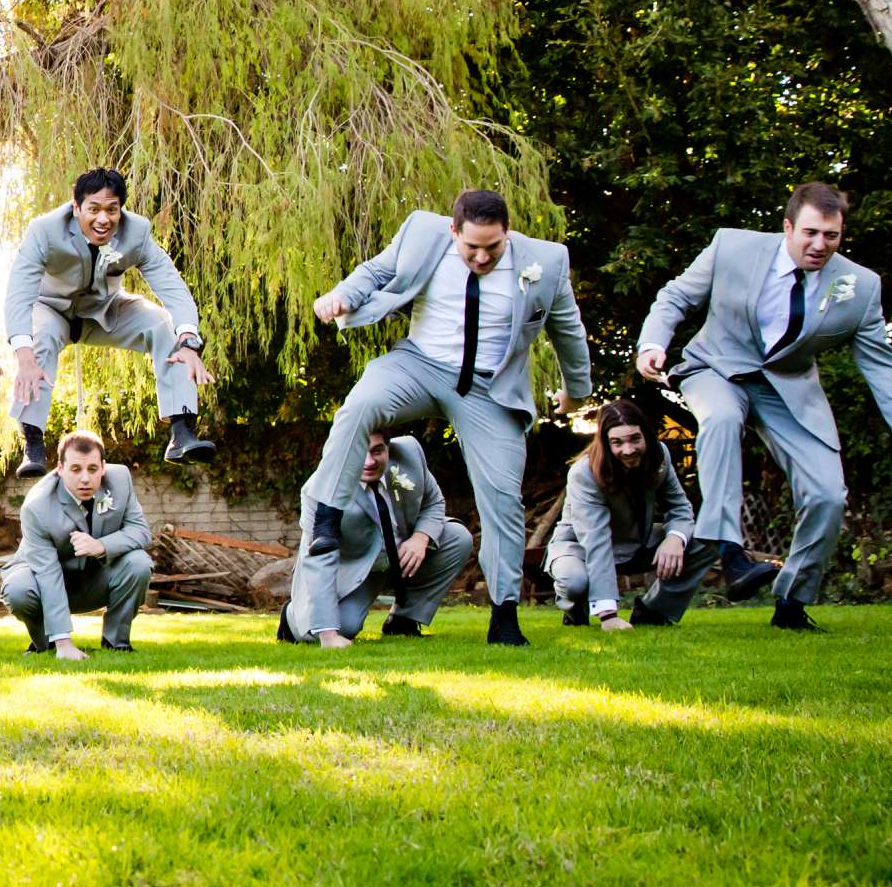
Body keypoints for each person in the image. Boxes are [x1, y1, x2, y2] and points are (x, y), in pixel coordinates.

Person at [637, 182, 892, 631]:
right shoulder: (732, 247)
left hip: (787, 392)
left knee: (827, 496)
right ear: (787, 227)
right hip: (716, 369)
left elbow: (885, 369)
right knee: (720, 420)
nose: (820, 245)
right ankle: (731, 553)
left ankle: (791, 605)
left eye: (832, 236)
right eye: (810, 233)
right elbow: (676, 297)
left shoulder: (859, 287)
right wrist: (653, 343)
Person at [300, 189, 592, 646]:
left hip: (488, 388)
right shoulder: (422, 231)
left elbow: (567, 329)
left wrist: (577, 392)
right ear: (452, 230)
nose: (480, 257)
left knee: (502, 496)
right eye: (470, 246)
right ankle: (327, 518)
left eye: (492, 248)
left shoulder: (548, 263)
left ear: (507, 234)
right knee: (359, 406)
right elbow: (377, 271)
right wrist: (341, 295)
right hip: (418, 364)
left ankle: (505, 615)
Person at [3, 169, 214, 477]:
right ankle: (33, 442)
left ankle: (181, 432)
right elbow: (19, 293)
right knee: (39, 341)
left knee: (163, 324)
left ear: (120, 209)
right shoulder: (44, 231)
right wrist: (23, 356)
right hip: (51, 310)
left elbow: (172, 285)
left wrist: (190, 343)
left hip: (105, 311)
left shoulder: (137, 233)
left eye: (111, 209)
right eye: (94, 209)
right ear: (76, 208)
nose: (103, 219)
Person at [279, 428, 473, 647]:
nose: (369, 461)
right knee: (344, 627)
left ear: (388, 448)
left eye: (377, 451)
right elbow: (319, 558)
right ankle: (291, 617)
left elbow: (434, 502)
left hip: (402, 555)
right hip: (355, 569)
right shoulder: (321, 489)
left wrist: (420, 537)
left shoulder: (409, 453)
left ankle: (402, 621)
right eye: (361, 452)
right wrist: (328, 634)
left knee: (458, 538)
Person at [548, 400, 717, 629]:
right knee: (574, 582)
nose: (628, 450)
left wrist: (675, 538)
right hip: (581, 547)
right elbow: (595, 539)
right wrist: (609, 616)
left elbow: (679, 507)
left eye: (635, 439)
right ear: (606, 443)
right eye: (617, 442)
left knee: (708, 537)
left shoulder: (659, 455)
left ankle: (653, 611)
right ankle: (576, 611)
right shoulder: (584, 473)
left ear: (645, 434)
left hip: (637, 541)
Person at [0, 430, 154, 656]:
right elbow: (46, 572)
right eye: (75, 469)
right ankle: (48, 643)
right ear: (60, 469)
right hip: (45, 579)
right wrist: (64, 642)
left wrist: (101, 546)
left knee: (138, 563)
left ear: (103, 466)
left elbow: (140, 531)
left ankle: (116, 643)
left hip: (96, 577)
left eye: (92, 469)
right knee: (18, 589)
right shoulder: (37, 506)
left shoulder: (120, 481)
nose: (85, 478)